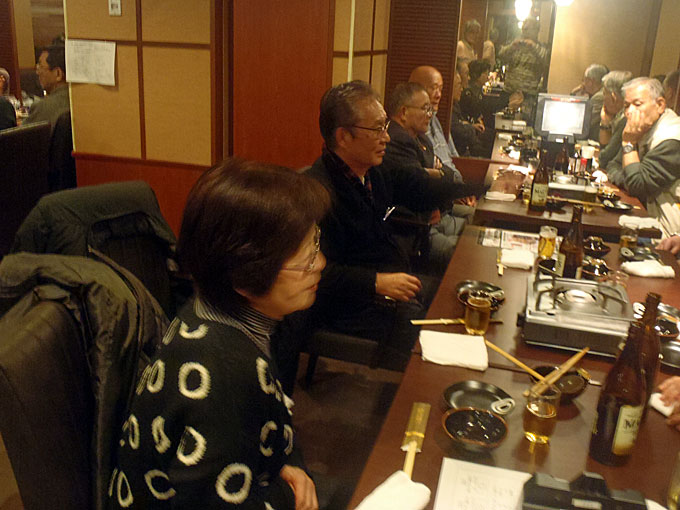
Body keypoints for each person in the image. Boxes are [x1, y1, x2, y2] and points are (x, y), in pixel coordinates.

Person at [108, 159, 329, 509]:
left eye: (316, 244)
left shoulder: (212, 312)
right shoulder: (226, 370)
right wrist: (286, 491)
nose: (320, 264)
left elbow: (268, 420)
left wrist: (288, 462)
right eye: (308, 257)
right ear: (245, 275)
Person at [307, 81, 480, 370]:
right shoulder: (317, 192)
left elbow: (419, 188)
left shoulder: (373, 172)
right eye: (377, 129)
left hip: (387, 283)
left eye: (385, 126)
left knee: (455, 299)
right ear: (344, 137)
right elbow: (316, 274)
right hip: (348, 304)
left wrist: (483, 186)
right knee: (436, 342)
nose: (387, 137)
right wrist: (377, 282)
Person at [383, 82, 464, 272]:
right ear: (404, 112)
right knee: (465, 254)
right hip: (415, 229)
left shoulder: (421, 138)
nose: (430, 114)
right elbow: (420, 184)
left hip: (433, 216)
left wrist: (435, 173)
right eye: (425, 109)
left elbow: (447, 174)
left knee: (475, 230)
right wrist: (431, 174)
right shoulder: (396, 139)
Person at [605, 77, 680, 238]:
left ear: (660, 105)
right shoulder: (643, 128)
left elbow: (638, 186)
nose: (629, 112)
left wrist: (629, 143)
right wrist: (628, 179)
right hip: (647, 217)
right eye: (627, 105)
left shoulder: (671, 138)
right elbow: (613, 165)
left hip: (668, 232)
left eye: (637, 104)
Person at [498, 18, 547, 122]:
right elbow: (501, 56)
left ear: (536, 31)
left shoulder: (540, 48)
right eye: (523, 29)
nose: (524, 32)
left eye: (528, 29)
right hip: (509, 92)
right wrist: (512, 47)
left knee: (524, 122)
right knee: (503, 121)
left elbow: (546, 60)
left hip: (528, 95)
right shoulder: (515, 45)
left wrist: (533, 46)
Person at [25, 44, 70, 129]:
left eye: (41, 67)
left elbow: (20, 136)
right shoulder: (83, 101)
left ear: (58, 74)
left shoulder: (43, 107)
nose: (37, 72)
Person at [598, 70, 633, 168]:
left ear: (614, 97)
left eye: (604, 94)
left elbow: (604, 159)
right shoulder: (618, 116)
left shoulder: (626, 119)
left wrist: (604, 123)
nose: (603, 99)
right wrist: (605, 124)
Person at [571, 63, 609, 140]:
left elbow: (581, 123)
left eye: (584, 80)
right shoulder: (599, 94)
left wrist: (573, 94)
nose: (582, 84)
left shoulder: (599, 97)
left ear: (590, 81)